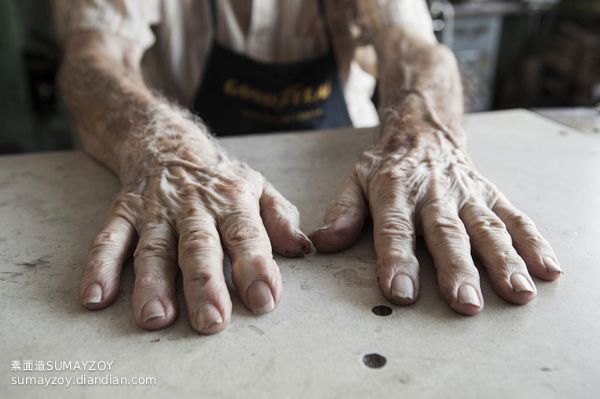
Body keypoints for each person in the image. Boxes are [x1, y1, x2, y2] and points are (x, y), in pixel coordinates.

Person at [56, 0, 562, 334]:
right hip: (186, 166)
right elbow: (92, 60)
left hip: (341, 162)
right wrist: (168, 148)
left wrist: (423, 137)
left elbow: (413, 48)